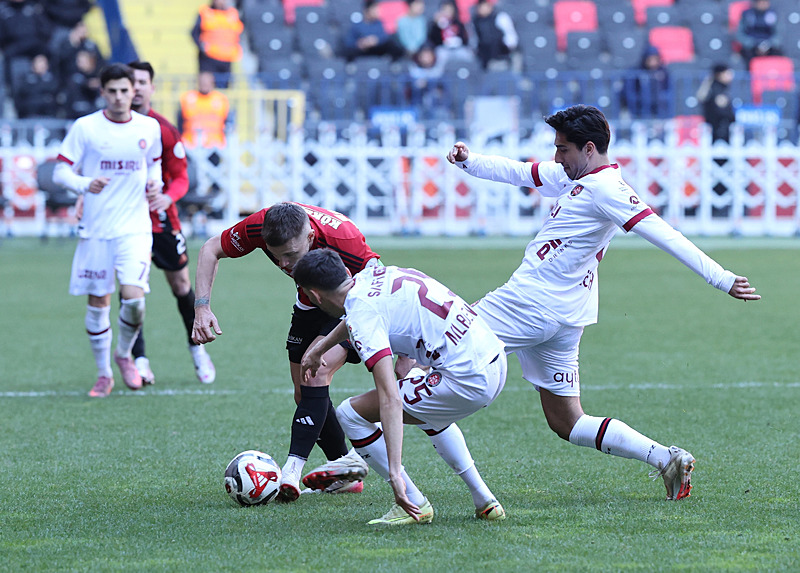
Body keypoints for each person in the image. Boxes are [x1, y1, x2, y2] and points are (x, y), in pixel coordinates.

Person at [446, 104, 760, 501]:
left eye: (563, 149)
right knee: (566, 421)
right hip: (564, 316)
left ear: (590, 148)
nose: (557, 157)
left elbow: (664, 233)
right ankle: (665, 457)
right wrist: (470, 161)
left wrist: (723, 278)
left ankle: (372, 446)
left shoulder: (608, 189)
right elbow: (522, 173)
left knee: (437, 340)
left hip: (527, 303)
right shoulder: (575, 176)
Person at [295, 249, 507, 525]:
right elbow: (355, 315)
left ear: (316, 296)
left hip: (467, 378)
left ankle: (414, 502)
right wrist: (320, 348)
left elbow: (390, 398)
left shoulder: (363, 318)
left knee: (349, 413)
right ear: (346, 274)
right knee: (425, 402)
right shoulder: (370, 275)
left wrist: (395, 473)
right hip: (495, 358)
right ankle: (485, 501)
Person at [191, 202, 379, 500]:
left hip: (351, 303)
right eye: (275, 255)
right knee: (303, 393)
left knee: (316, 373)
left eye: (290, 255)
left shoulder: (345, 240)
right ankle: (344, 471)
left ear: (310, 239)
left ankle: (291, 471)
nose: (282, 265)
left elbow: (379, 283)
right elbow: (210, 249)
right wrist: (201, 308)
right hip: (308, 300)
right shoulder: (258, 225)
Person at [52, 63, 163, 398]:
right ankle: (103, 374)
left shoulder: (149, 127)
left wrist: (155, 183)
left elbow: (154, 162)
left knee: (134, 301)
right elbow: (59, 172)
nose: (118, 97)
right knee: (98, 301)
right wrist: (85, 184)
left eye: (124, 91)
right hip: (97, 230)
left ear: (134, 92)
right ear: (102, 92)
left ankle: (124, 354)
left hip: (134, 228)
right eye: (111, 91)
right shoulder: (86, 128)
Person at [127, 60, 216, 385]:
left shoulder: (163, 128)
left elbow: (181, 177)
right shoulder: (111, 128)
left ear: (151, 87)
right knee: (131, 292)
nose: (134, 89)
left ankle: (197, 349)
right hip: (125, 223)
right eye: (129, 82)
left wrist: (168, 197)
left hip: (162, 221)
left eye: (140, 82)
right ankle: (139, 360)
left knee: (180, 286)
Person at [191, 0, 243, 88]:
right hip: (209, 59)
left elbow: (238, 32)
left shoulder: (233, 14)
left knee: (224, 88)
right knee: (207, 87)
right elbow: (194, 33)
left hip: (227, 59)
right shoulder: (205, 12)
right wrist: (202, 46)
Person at [178, 71, 230, 150]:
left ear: (212, 83)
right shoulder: (188, 98)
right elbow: (180, 121)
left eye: (207, 82)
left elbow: (227, 121)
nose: (204, 84)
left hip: (215, 143)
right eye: (202, 82)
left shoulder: (221, 99)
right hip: (191, 143)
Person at [624, 45, 672, 119]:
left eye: (655, 59)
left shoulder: (664, 72)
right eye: (650, 60)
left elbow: (668, 90)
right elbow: (630, 92)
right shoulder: (636, 72)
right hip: (640, 110)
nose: (653, 63)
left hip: (659, 110)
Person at [470, 0, 518, 71]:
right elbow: (474, 39)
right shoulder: (475, 21)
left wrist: (507, 48)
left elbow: (510, 36)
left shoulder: (500, 17)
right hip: (484, 57)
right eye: (480, 7)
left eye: (485, 6)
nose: (483, 9)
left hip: (501, 55)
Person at [426, 0, 473, 66]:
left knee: (467, 55)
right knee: (440, 54)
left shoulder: (458, 23)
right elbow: (433, 40)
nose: (447, 12)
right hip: (443, 48)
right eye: (445, 10)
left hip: (458, 48)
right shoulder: (437, 24)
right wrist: (436, 25)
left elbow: (464, 38)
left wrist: (459, 41)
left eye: (449, 10)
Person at [13, 53, 60, 119]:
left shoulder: (53, 80)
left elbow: (56, 97)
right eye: (38, 62)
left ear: (47, 65)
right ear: (33, 65)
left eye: (43, 63)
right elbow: (19, 97)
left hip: (49, 115)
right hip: (29, 115)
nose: (41, 65)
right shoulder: (25, 80)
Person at [699, 64, 736, 144]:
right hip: (719, 130)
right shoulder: (717, 89)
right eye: (727, 73)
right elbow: (720, 110)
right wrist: (733, 118)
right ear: (720, 75)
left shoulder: (722, 87)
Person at [737, 0, 781, 64]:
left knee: (778, 53)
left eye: (765, 2)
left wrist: (768, 44)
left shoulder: (773, 15)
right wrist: (754, 44)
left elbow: (778, 34)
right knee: (745, 55)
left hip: (769, 45)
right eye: (760, 2)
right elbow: (740, 34)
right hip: (751, 45)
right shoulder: (747, 15)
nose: (763, 4)